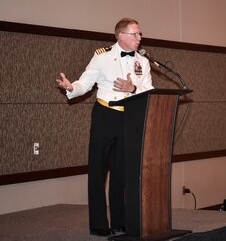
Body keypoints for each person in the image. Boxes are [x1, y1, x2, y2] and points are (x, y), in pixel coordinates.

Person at [56, 18, 153, 237]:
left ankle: (120, 221)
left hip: (129, 118)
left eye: (140, 34)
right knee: (98, 170)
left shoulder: (143, 61)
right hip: (105, 115)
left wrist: (133, 87)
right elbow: (85, 82)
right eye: (135, 34)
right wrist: (71, 87)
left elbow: (149, 89)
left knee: (122, 172)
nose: (140, 38)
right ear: (121, 35)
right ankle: (98, 223)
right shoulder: (102, 56)